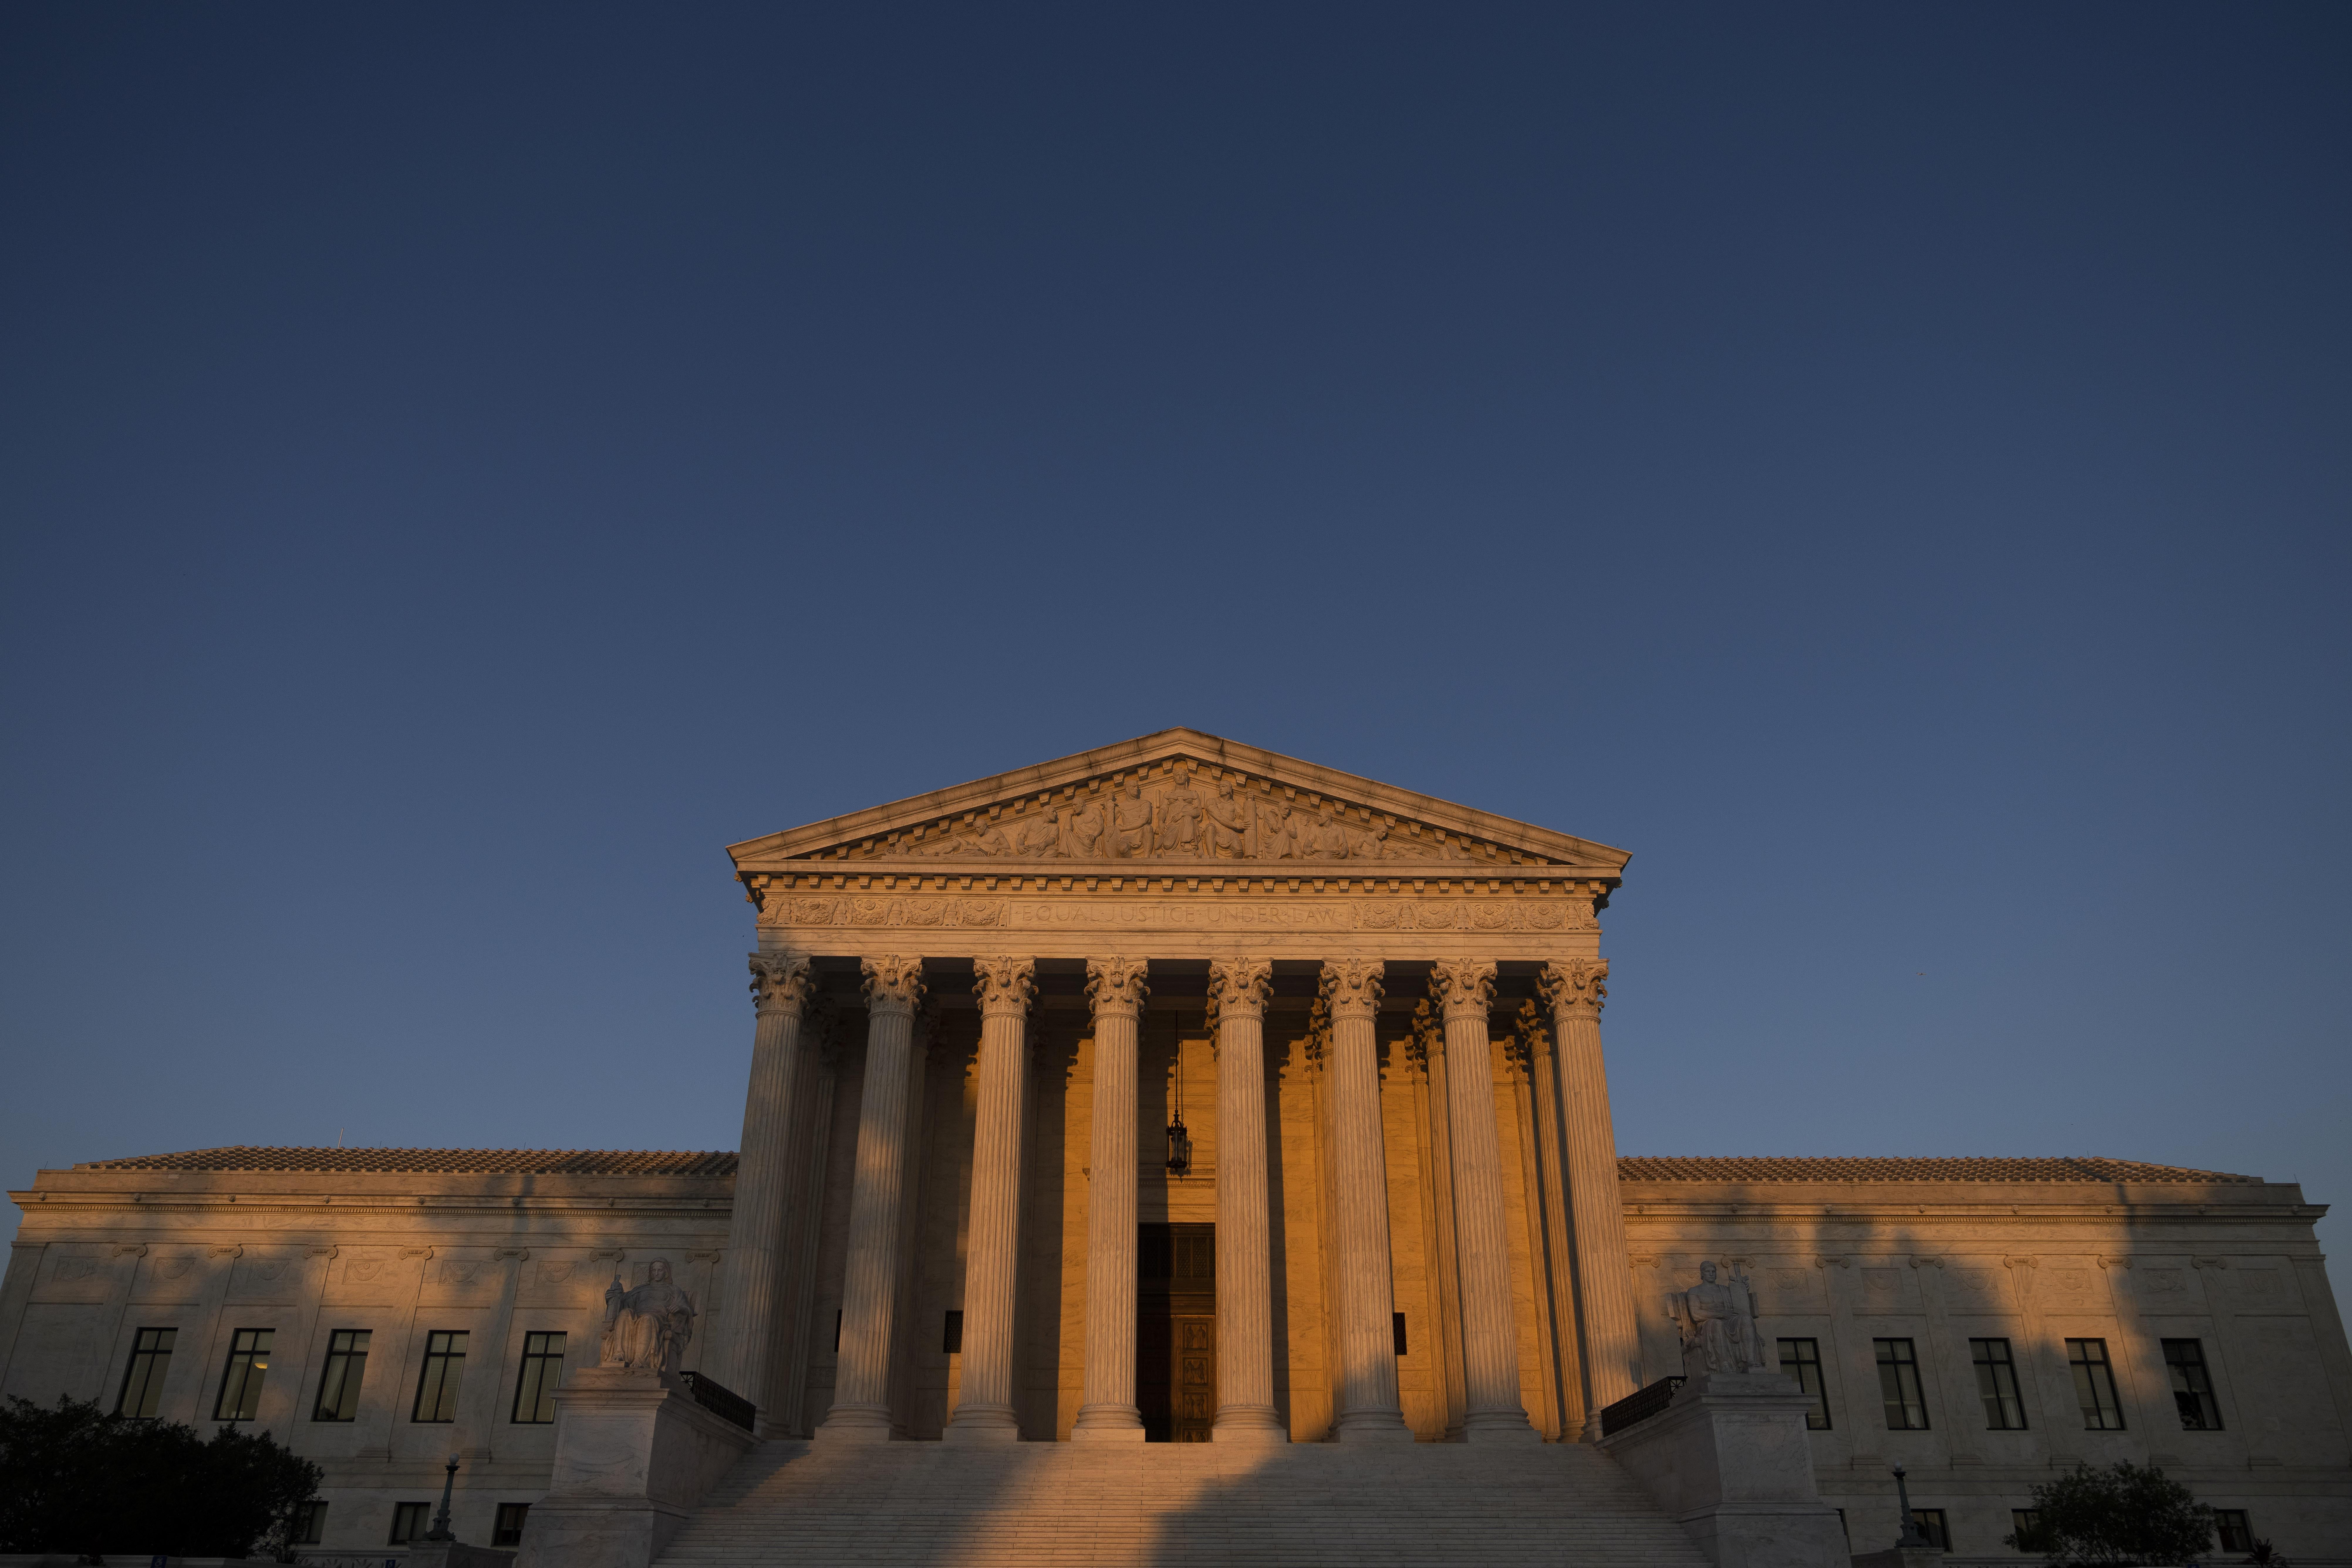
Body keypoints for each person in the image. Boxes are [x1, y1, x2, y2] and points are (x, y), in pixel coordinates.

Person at [600, 1259, 696, 1372]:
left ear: (666, 1272)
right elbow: (624, 1304)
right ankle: (620, 1354)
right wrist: (612, 1298)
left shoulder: (674, 1290)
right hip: (637, 1316)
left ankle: (641, 1360)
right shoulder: (640, 1290)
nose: (656, 1273)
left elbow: (686, 1309)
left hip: (659, 1320)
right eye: (654, 1270)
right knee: (624, 1314)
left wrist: (680, 1308)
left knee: (648, 1319)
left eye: (660, 1270)